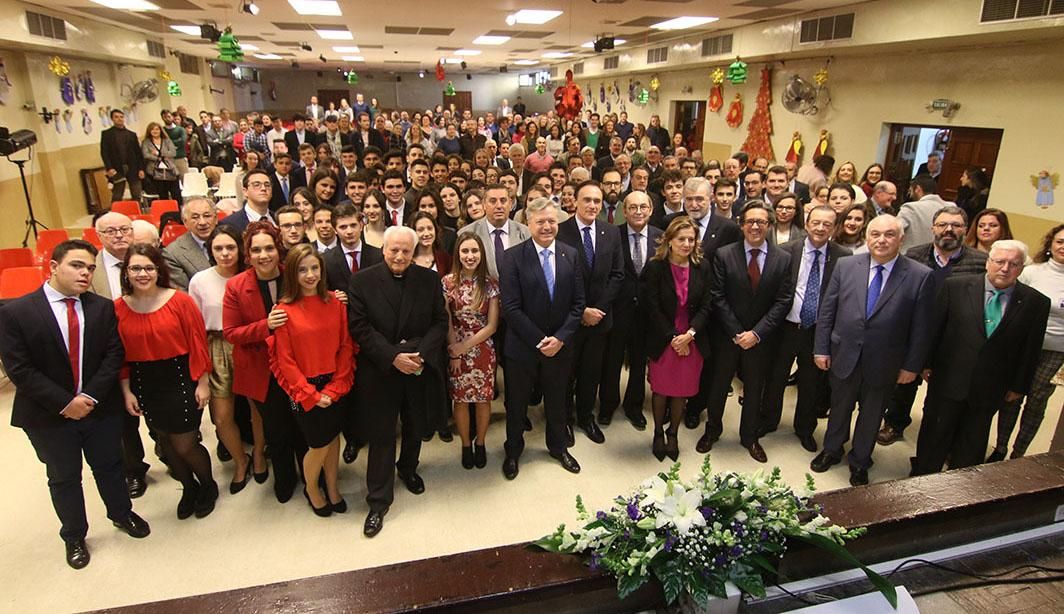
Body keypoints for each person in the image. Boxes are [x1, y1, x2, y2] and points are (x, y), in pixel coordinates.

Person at [0, 240, 150, 569]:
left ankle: (122, 514)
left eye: (90, 268)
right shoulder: (16, 312)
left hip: (98, 407)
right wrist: (66, 403)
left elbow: (113, 355)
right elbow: (19, 369)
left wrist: (90, 397)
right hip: (48, 415)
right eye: (77, 266)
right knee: (64, 477)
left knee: (110, 466)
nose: (85, 273)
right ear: (53, 267)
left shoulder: (101, 307)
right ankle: (74, 535)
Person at [812, 215, 935, 486]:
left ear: (901, 239)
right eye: (875, 234)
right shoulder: (846, 265)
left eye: (889, 234)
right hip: (844, 353)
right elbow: (828, 309)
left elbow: (921, 327)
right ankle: (832, 450)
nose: (881, 240)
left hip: (885, 361)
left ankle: (860, 461)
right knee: (839, 407)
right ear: (867, 237)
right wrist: (821, 349)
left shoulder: (919, 276)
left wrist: (911, 366)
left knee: (871, 414)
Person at [912, 240, 1049, 474]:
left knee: (972, 442)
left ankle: (960, 488)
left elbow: (1031, 349)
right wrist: (925, 363)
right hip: (948, 379)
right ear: (988, 262)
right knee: (935, 435)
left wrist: (1019, 385)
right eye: (999, 262)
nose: (1005, 268)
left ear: (1021, 268)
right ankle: (920, 477)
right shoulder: (955, 287)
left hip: (991, 386)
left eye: (1013, 264)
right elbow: (935, 330)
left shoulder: (1035, 303)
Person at [348, 226, 448, 537]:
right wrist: (393, 357)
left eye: (406, 251)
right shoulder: (362, 280)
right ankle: (378, 501)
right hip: (381, 369)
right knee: (382, 436)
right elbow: (360, 328)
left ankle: (408, 468)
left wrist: (420, 354)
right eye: (394, 250)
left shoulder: (428, 279)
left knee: (416, 424)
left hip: (417, 365)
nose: (400, 256)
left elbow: (440, 322)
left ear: (414, 252)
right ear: (384, 250)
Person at [115, 244, 216, 519]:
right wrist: (126, 391)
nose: (143, 273)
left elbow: (198, 343)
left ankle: (207, 485)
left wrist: (203, 382)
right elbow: (119, 356)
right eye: (135, 268)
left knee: (185, 443)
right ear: (126, 272)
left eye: (149, 267)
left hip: (179, 376)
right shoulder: (118, 308)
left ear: (159, 269)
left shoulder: (180, 301)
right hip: (144, 381)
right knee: (166, 443)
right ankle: (188, 488)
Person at [877, 206, 988, 446]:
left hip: (953, 339)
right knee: (903, 384)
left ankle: (939, 435)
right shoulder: (913, 255)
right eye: (943, 225)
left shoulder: (980, 262)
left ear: (965, 230)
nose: (949, 230)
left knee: (945, 391)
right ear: (933, 229)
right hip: (914, 331)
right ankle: (895, 423)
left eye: (956, 225)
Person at [699, 201, 793, 463]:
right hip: (728, 336)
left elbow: (783, 300)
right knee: (718, 386)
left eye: (761, 222)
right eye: (750, 221)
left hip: (761, 340)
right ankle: (712, 431)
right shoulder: (724, 254)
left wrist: (757, 333)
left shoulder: (783, 259)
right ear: (741, 225)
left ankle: (749, 437)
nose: (755, 226)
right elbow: (717, 296)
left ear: (769, 226)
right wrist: (738, 332)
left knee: (754, 390)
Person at [499, 198, 585, 480]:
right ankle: (513, 451)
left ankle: (558, 447)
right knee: (517, 403)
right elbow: (510, 308)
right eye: (540, 222)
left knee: (558, 400)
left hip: (560, 347)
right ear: (528, 223)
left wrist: (559, 339)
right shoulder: (512, 257)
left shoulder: (570, 254)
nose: (547, 226)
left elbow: (578, 304)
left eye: (551, 221)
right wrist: (540, 340)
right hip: (522, 347)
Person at [268, 245, 355, 517]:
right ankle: (313, 490)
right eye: (302, 269)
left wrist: (335, 387)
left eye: (314, 268)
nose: (309, 274)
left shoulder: (335, 303)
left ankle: (331, 486)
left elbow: (345, 347)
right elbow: (285, 361)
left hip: (334, 384)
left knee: (333, 438)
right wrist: (312, 395)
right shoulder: (284, 310)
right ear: (293, 273)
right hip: (303, 389)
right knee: (318, 444)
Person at [223, 222, 306, 504]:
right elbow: (231, 333)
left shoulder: (293, 274)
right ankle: (284, 478)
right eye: (256, 249)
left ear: (278, 248)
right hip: (262, 372)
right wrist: (265, 326)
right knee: (276, 429)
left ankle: (309, 475)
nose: (264, 255)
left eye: (269, 248)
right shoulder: (236, 286)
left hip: (297, 368)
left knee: (300, 423)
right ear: (248, 253)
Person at [763, 206, 850, 452]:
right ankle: (769, 420)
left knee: (811, 383)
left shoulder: (844, 256)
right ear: (807, 224)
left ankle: (804, 428)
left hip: (818, 331)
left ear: (834, 228)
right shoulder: (786, 251)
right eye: (816, 223)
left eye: (827, 224)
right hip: (786, 327)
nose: (821, 228)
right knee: (776, 378)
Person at [556, 181, 624, 444]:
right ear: (575, 201)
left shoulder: (611, 232)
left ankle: (586, 417)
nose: (593, 205)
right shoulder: (561, 232)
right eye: (587, 200)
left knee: (590, 372)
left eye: (597, 201)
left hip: (600, 319)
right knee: (566, 373)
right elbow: (559, 278)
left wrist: (599, 309)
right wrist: (581, 310)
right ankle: (565, 421)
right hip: (569, 319)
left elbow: (617, 274)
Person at [989, 225, 1064, 461]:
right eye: (1060, 241)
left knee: (1036, 403)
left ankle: (1018, 454)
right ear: (1051, 244)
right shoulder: (1032, 272)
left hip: (1055, 351)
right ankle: (1000, 448)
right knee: (1011, 397)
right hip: (1020, 346)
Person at [641, 217, 713, 461]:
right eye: (681, 239)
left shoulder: (703, 267)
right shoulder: (655, 267)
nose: (686, 244)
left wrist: (689, 335)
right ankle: (658, 432)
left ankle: (673, 434)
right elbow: (650, 306)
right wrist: (674, 337)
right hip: (664, 338)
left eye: (691, 239)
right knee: (661, 390)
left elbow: (707, 305)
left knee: (681, 391)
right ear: (669, 241)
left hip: (692, 338)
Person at [88, 211, 149, 497]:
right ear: (98, 236)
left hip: (149, 346)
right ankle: (134, 469)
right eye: (110, 231)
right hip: (111, 352)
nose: (119, 235)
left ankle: (169, 452)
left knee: (159, 408)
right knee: (124, 420)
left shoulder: (147, 259)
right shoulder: (91, 268)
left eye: (124, 229)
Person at [600, 192, 662, 431]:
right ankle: (607, 404)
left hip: (647, 311)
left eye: (643, 207)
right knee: (612, 359)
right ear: (624, 212)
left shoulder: (660, 237)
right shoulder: (612, 235)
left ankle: (634, 406)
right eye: (633, 207)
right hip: (618, 307)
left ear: (650, 209)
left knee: (639, 361)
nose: (638, 211)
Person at [444, 234, 501, 469]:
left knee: (482, 400)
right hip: (454, 346)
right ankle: (466, 444)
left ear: (481, 254)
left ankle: (481, 442)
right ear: (458, 253)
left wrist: (465, 347)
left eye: (474, 251)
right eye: (465, 251)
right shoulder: (447, 282)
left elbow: (492, 325)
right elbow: (446, 319)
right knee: (460, 400)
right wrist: (455, 351)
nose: (470, 256)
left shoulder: (490, 284)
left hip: (482, 349)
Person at [457, 184, 531, 280]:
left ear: (510, 203)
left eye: (503, 201)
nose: (499, 206)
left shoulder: (525, 232)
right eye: (493, 201)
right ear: (484, 204)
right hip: (480, 293)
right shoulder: (466, 233)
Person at [164, 197, 217, 291]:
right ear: (185, 222)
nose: (202, 222)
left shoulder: (231, 241)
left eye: (207, 216)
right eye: (195, 217)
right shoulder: (173, 253)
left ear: (216, 219)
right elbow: (183, 295)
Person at [897, 174, 956, 251]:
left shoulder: (910, 208)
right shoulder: (952, 207)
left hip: (912, 258)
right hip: (942, 258)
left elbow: (895, 232)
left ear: (918, 189)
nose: (909, 193)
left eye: (910, 189)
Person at [100, 109, 144, 202]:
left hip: (133, 167)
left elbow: (138, 153)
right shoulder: (107, 134)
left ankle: (136, 213)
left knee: (136, 194)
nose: (119, 119)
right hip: (117, 168)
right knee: (117, 195)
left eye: (121, 117)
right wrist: (109, 168)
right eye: (116, 117)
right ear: (112, 119)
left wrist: (141, 168)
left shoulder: (132, 134)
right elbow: (104, 152)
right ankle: (116, 215)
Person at [221, 169, 277, 234]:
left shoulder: (278, 220)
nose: (263, 188)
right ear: (245, 191)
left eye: (267, 185)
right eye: (257, 185)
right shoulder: (229, 224)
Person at [141, 122, 181, 205]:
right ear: (149, 131)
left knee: (176, 194)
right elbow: (146, 155)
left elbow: (173, 153)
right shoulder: (146, 142)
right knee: (163, 196)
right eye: (152, 129)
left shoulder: (167, 141)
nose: (155, 131)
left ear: (160, 130)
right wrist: (159, 158)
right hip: (156, 173)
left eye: (157, 129)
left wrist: (158, 154)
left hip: (170, 170)